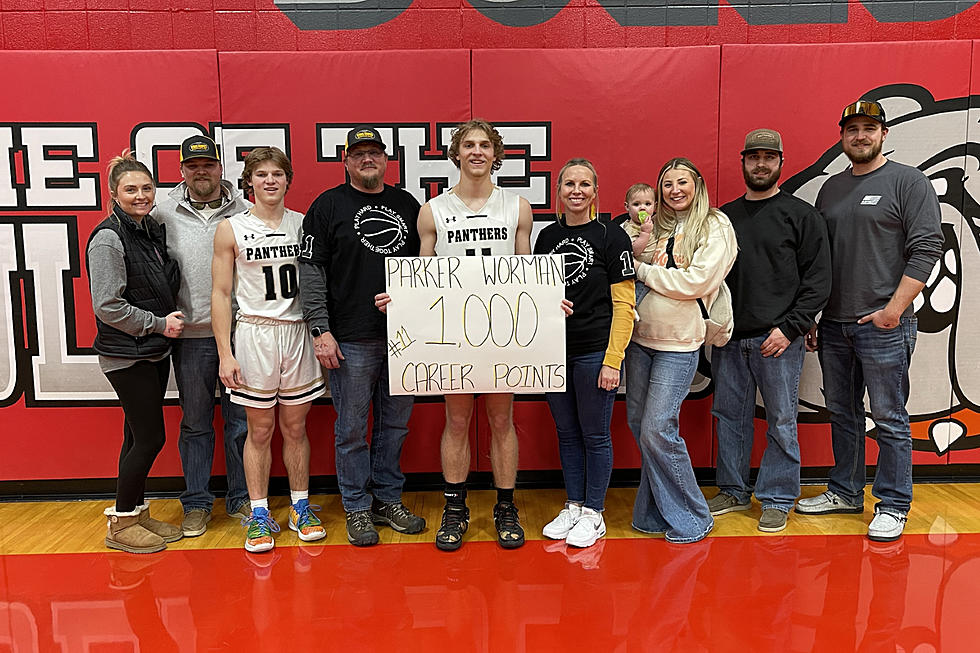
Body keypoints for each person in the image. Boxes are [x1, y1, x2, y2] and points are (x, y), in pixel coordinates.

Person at [378, 119, 534, 551]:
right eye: (470, 145)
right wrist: (400, 300)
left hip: (502, 331)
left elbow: (528, 275)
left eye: (486, 145)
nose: (478, 152)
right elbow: (420, 275)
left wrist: (548, 303)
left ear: (496, 154)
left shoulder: (517, 207)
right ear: (457, 153)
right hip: (454, 334)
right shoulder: (433, 210)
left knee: (501, 421)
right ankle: (455, 506)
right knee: (458, 420)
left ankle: (505, 507)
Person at [796, 99, 943, 542]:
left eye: (868, 128)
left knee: (890, 417)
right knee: (842, 414)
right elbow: (822, 261)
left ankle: (894, 504)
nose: (859, 136)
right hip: (836, 325)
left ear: (884, 133)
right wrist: (816, 315)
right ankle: (845, 491)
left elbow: (927, 247)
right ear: (842, 136)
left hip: (885, 325)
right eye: (851, 129)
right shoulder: (830, 189)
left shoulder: (907, 182)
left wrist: (893, 310)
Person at [299, 126, 425, 547]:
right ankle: (356, 506)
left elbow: (428, 271)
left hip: (403, 337)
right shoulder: (328, 206)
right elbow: (312, 273)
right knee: (352, 428)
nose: (367, 160)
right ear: (346, 161)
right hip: (350, 337)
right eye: (359, 154)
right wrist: (320, 329)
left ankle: (388, 499)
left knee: (395, 425)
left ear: (386, 159)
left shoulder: (407, 205)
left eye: (374, 153)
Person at [710, 129, 831, 532]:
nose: (761, 163)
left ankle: (778, 497)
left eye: (769, 157)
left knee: (780, 419)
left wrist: (791, 328)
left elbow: (818, 280)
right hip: (729, 339)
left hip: (778, 339)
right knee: (729, 416)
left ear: (781, 162)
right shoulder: (723, 219)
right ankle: (732, 489)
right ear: (742, 161)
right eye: (753, 156)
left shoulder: (801, 215)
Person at [212, 147, 327, 552]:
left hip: (296, 332)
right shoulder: (232, 229)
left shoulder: (303, 225)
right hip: (255, 333)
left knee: (296, 428)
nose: (270, 181)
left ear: (288, 180)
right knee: (259, 429)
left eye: (277, 174)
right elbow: (221, 294)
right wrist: (225, 353)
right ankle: (259, 512)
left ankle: (300, 506)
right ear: (249, 181)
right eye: (261, 174)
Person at [625, 157, 737, 543]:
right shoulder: (653, 224)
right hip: (640, 341)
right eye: (667, 184)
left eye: (682, 182)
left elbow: (696, 282)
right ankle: (653, 513)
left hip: (679, 343)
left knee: (658, 427)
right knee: (641, 427)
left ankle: (693, 517)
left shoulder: (715, 225)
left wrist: (641, 270)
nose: (674, 190)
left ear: (698, 185)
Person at [533, 158, 635, 548]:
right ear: (558, 191)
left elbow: (625, 304)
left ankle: (595, 512)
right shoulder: (546, 238)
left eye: (585, 185)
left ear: (596, 192)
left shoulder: (612, 236)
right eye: (569, 184)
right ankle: (574, 504)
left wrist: (613, 359)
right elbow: (534, 297)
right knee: (567, 433)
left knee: (595, 435)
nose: (577, 191)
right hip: (556, 352)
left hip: (595, 352)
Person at [86, 151, 184, 553]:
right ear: (114, 193)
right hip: (128, 354)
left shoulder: (148, 230)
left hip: (151, 352)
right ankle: (121, 524)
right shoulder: (109, 237)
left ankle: (135, 513)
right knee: (149, 438)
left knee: (134, 435)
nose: (141, 195)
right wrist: (160, 325)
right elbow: (106, 305)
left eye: (146, 188)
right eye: (131, 189)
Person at [156, 134, 251, 537]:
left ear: (220, 168)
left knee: (241, 421)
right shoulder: (162, 212)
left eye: (208, 164)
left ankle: (243, 497)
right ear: (182, 170)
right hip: (191, 337)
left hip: (242, 333)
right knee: (195, 423)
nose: (201, 171)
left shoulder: (246, 210)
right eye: (192, 166)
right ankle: (196, 503)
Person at [619, 182, 657, 305]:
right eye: (636, 204)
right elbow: (634, 251)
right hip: (636, 273)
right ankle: (630, 309)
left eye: (647, 204)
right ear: (627, 207)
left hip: (653, 269)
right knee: (635, 295)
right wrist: (645, 233)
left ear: (654, 206)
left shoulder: (654, 223)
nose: (642, 208)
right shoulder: (629, 227)